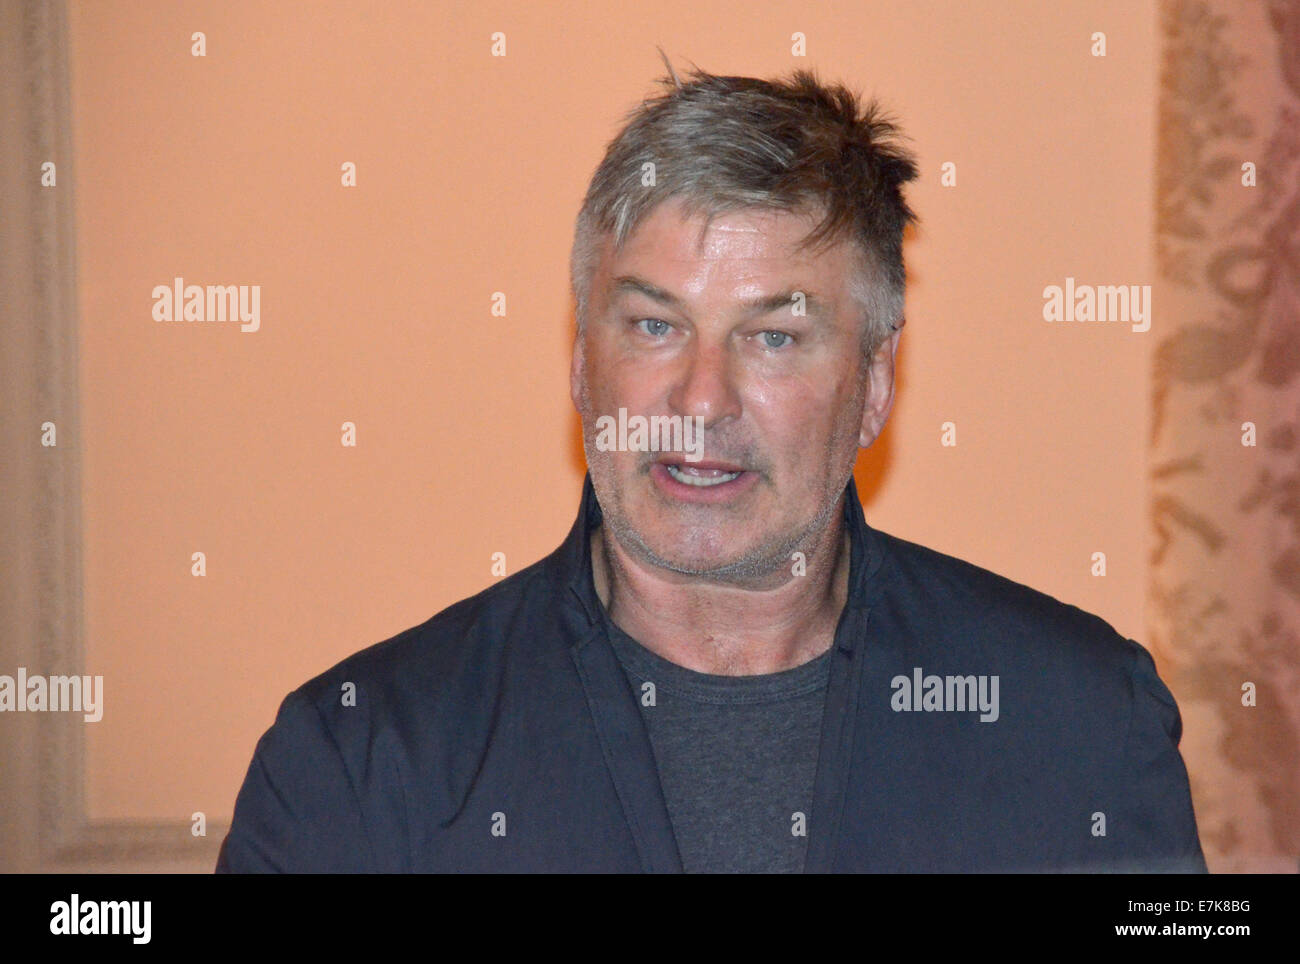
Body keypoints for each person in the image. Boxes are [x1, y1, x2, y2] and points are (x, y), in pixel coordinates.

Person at [216, 63, 1206, 873]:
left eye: (772, 337)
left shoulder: (1077, 730)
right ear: (579, 361)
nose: (701, 400)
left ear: (871, 383)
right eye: (654, 326)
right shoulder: (359, 760)